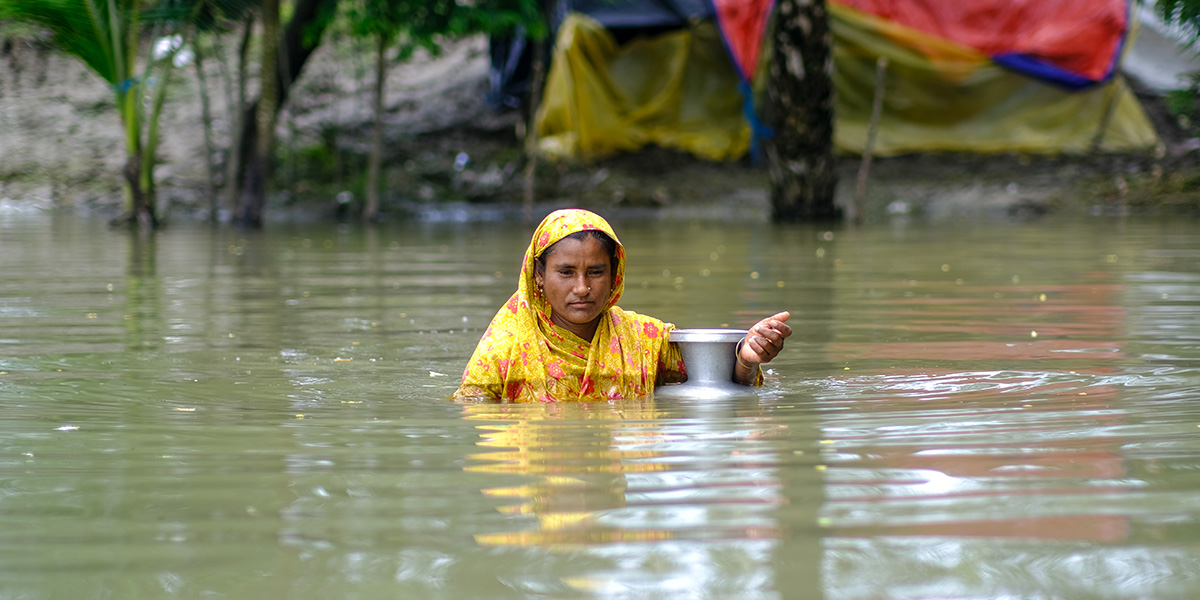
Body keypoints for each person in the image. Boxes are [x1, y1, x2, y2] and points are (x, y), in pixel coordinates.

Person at [453, 209, 791, 402]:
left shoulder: (643, 338)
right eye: (566, 273)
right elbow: (477, 418)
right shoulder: (504, 350)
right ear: (538, 275)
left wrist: (747, 359)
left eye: (596, 272)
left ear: (615, 276)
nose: (582, 288)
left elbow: (717, 383)